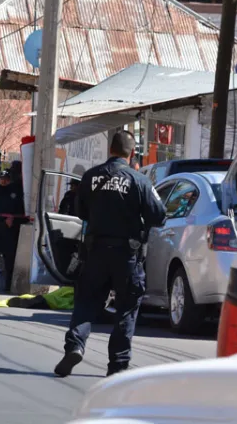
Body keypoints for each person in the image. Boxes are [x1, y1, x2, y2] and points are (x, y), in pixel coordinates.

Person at [54, 131, 166, 378]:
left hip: (95, 252)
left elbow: (80, 212)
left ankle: (75, 346)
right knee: (126, 308)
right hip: (127, 254)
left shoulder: (90, 176)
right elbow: (159, 215)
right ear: (133, 153)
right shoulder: (140, 180)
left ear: (110, 150)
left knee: (86, 302)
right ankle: (117, 365)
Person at [0, 170, 25, 291]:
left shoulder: (15, 192)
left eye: (6, 178)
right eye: (1, 178)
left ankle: (8, 284)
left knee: (9, 259)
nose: (4, 181)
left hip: (9, 229)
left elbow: (21, 210)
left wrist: (13, 217)